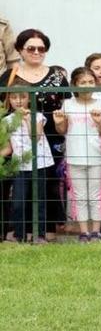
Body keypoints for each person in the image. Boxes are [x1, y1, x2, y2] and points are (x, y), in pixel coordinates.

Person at [0, 29, 70, 241]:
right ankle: (17, 231)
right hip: (16, 139)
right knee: (17, 190)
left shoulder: (57, 77)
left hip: (50, 139)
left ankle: (44, 232)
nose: (37, 52)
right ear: (21, 49)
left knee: (48, 187)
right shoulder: (9, 76)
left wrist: (61, 125)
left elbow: (66, 106)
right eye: (31, 48)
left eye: (42, 48)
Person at [53, 67, 101, 242]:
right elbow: (63, 130)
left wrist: (99, 122)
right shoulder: (68, 104)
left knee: (96, 196)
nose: (87, 85)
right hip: (74, 156)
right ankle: (84, 232)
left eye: (90, 82)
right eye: (83, 82)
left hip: (96, 156)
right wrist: (59, 122)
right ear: (75, 84)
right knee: (79, 196)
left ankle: (96, 232)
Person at [2, 80, 54, 243]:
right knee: (18, 202)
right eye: (14, 97)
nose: (18, 101)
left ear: (29, 99)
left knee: (38, 201)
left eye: (22, 97)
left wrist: (26, 119)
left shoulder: (37, 116)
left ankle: (39, 235)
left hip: (40, 164)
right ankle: (20, 234)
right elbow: (8, 148)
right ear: (9, 99)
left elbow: (35, 137)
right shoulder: (7, 120)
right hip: (20, 165)